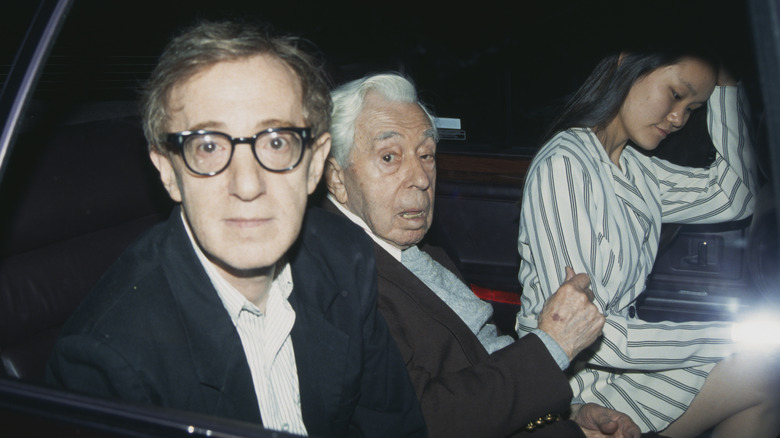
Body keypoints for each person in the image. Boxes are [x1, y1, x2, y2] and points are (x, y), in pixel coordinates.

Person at [45, 21, 426, 438]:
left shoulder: (344, 256)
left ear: (316, 163)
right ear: (168, 172)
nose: (247, 185)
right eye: (208, 146)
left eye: (277, 142)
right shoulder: (106, 362)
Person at [323, 73, 657, 438]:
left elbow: (479, 365)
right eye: (390, 157)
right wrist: (552, 345)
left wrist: (568, 414)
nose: (420, 178)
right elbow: (420, 420)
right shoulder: (340, 282)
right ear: (337, 178)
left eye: (426, 155)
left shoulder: (422, 252)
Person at [516, 48, 780, 438]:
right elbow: (591, 336)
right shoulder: (566, 165)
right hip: (575, 386)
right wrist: (736, 336)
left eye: (694, 108)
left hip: (619, 369)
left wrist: (726, 85)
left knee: (768, 377)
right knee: (766, 376)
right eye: (676, 94)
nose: (679, 118)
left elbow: (733, 195)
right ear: (626, 64)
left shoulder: (635, 168)